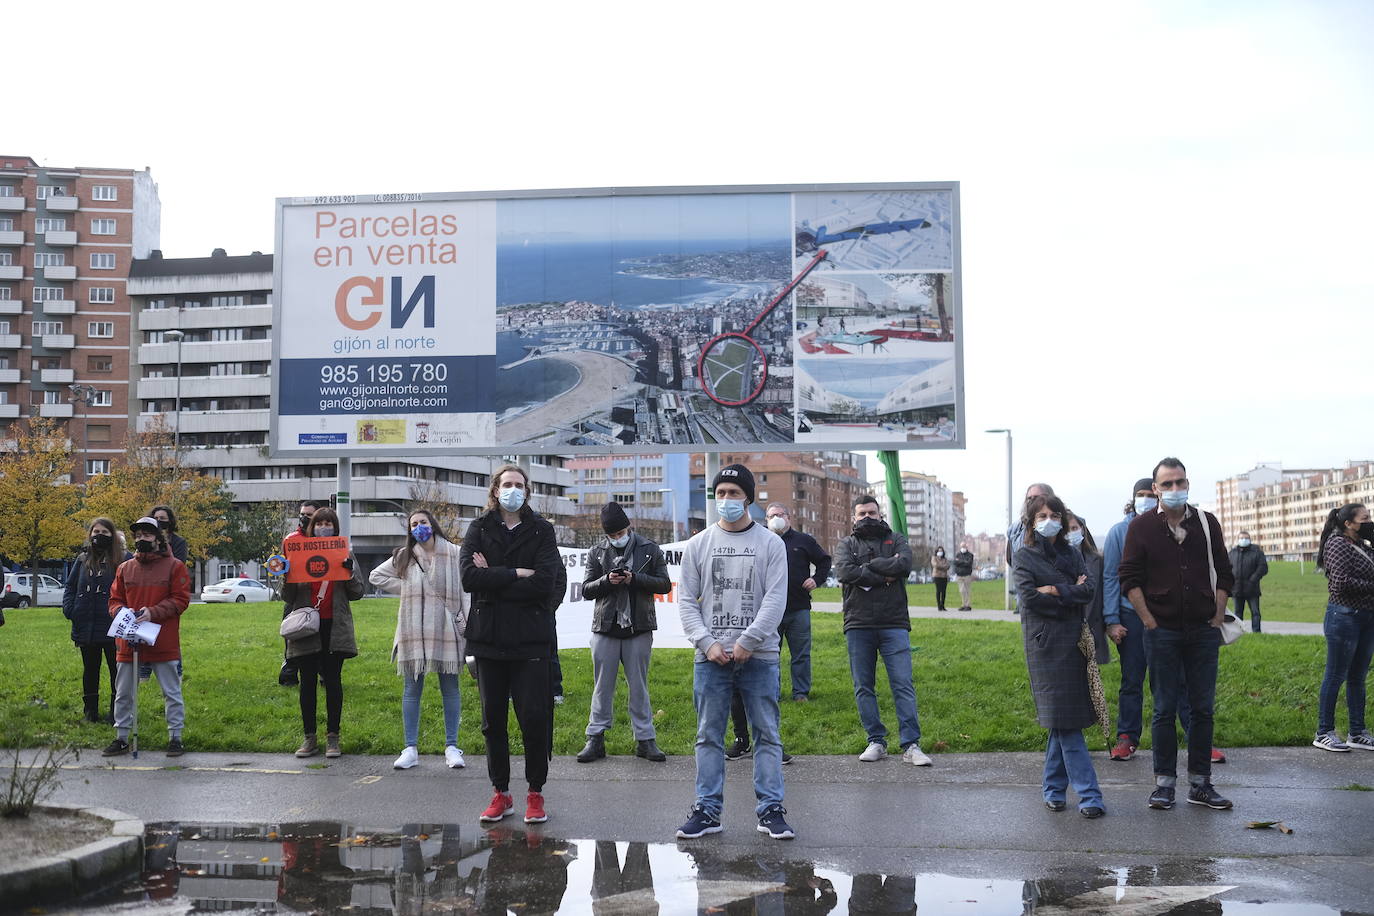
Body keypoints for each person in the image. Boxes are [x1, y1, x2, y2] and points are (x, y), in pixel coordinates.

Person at [675, 463, 793, 841]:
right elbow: (686, 602)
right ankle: (707, 811)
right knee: (708, 736)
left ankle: (771, 809)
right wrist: (706, 643)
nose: (726, 500)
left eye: (734, 493)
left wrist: (749, 641)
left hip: (760, 658)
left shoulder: (770, 544)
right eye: (720, 493)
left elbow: (776, 600)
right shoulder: (698, 545)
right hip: (710, 660)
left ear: (748, 498)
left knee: (767, 735)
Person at [1119, 457, 1235, 811]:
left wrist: (1216, 615)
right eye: (1166, 484)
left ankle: (1200, 784)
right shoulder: (1141, 527)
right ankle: (1164, 785)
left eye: (1179, 483)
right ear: (1154, 489)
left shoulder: (1206, 522)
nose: (1174, 489)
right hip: (1162, 631)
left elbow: (1225, 573)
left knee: (1202, 709)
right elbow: (1129, 579)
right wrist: (1149, 621)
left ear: (1187, 484)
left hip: (1203, 630)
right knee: (1164, 709)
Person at [460, 464, 561, 825]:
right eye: (507, 484)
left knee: (534, 718)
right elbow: (470, 578)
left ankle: (535, 792)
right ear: (495, 489)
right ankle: (500, 793)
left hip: (530, 640)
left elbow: (546, 582)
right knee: (493, 722)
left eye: (519, 484)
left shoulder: (542, 530)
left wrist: (495, 576)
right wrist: (517, 572)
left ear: (527, 490)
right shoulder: (479, 527)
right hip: (488, 640)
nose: (513, 490)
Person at [1014, 495, 1104, 817]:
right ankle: (1090, 795)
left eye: (1054, 514)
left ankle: (1053, 789)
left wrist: (1053, 590)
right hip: (1045, 646)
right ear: (1032, 521)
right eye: (1042, 515)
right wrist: (1067, 591)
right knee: (1067, 723)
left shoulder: (1072, 553)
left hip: (1074, 642)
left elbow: (1088, 591)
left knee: (1060, 720)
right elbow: (1028, 598)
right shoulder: (1024, 555)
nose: (1048, 519)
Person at [833, 495, 933, 767]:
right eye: (862, 513)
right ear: (854, 517)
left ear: (880, 514)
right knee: (863, 686)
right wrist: (884, 573)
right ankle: (875, 740)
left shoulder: (897, 539)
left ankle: (911, 744)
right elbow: (844, 571)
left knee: (903, 684)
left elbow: (904, 565)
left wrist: (868, 567)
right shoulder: (846, 544)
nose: (867, 517)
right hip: (858, 623)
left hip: (894, 622)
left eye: (872, 512)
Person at [369, 509, 468, 770]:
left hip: (447, 628)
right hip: (413, 630)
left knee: (451, 688)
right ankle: (410, 748)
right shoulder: (405, 556)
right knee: (411, 690)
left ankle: (452, 747)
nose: (418, 527)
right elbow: (375, 576)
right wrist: (410, 589)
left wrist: (466, 622)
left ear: (432, 524)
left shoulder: (455, 553)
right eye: (413, 524)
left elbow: (467, 588)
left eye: (422, 522)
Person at [577, 501, 672, 764]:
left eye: (620, 533)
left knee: (639, 686)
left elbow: (664, 584)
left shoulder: (650, 549)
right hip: (605, 628)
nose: (617, 538)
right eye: (612, 535)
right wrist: (607, 581)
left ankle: (645, 739)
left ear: (629, 527)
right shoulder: (597, 552)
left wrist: (635, 579)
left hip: (639, 627)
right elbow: (586, 589)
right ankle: (595, 738)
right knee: (601, 687)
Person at [103, 517, 192, 757]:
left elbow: (180, 600)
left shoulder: (175, 567)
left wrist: (153, 612)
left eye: (148, 534)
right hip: (129, 640)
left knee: (171, 691)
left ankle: (175, 737)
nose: (142, 538)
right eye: (139, 535)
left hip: (163, 640)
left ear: (158, 538)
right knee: (122, 693)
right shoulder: (125, 568)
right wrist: (121, 612)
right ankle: (122, 737)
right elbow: (114, 599)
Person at [281, 507, 363, 758]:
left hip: (333, 627)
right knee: (307, 683)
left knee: (333, 682)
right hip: (307, 627)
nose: (323, 527)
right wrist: (286, 576)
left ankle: (333, 738)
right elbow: (286, 597)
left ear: (335, 528)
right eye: (319, 523)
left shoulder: (343, 552)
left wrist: (348, 571)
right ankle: (309, 738)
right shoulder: (298, 553)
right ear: (311, 527)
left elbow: (357, 592)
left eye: (328, 523)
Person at [1312, 504, 1374, 752]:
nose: (1370, 521)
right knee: (1336, 674)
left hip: (1367, 617)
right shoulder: (1337, 544)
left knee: (1358, 677)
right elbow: (1340, 583)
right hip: (1344, 617)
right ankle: (1323, 731)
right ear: (1348, 523)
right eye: (1365, 518)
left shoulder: (1362, 546)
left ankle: (1357, 732)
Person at [63, 518, 129, 724]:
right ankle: (90, 713)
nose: (98, 535)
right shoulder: (83, 558)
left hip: (112, 624)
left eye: (104, 532)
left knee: (115, 671)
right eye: (95, 531)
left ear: (112, 535)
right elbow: (71, 586)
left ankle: (115, 713)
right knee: (90, 670)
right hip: (86, 623)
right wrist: (70, 609)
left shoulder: (123, 559)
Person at [278, 499, 327, 687]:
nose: (304, 517)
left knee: (322, 635)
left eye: (309, 514)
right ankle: (289, 672)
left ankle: (323, 672)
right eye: (302, 514)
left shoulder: (324, 541)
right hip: (296, 594)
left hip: (319, 594)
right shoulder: (291, 541)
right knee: (292, 632)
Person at [1228, 530, 1269, 633]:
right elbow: (1227, 568)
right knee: (1237, 614)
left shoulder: (1257, 552)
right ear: (1238, 539)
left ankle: (1256, 632)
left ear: (1249, 539)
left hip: (1252, 588)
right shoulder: (1232, 553)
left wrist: (1253, 579)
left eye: (1246, 538)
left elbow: (1263, 567)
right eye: (1241, 538)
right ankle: (1239, 633)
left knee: (1255, 612)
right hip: (1237, 589)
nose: (1243, 540)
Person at [952, 542, 976, 611]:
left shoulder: (970, 555)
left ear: (966, 546)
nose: (963, 548)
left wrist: (960, 562)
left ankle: (967, 605)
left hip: (967, 575)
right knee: (962, 590)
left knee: (967, 590)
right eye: (962, 546)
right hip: (959, 575)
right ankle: (963, 604)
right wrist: (963, 562)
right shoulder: (958, 554)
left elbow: (969, 563)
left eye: (964, 546)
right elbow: (955, 563)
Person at [931, 546, 951, 611]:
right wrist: (943, 567)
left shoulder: (945, 559)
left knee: (944, 591)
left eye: (941, 551)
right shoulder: (934, 558)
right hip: (937, 576)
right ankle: (939, 606)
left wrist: (941, 566)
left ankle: (943, 605)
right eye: (939, 551)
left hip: (944, 577)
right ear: (937, 551)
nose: (940, 552)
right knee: (938, 591)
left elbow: (948, 566)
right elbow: (935, 565)